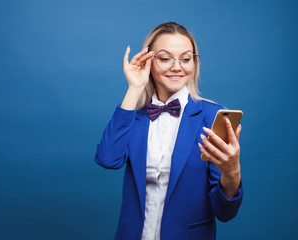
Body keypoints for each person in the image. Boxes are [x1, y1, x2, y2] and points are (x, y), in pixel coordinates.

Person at [94, 22, 243, 240]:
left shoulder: (212, 116)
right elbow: (108, 159)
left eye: (185, 58)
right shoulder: (133, 114)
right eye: (165, 58)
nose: (177, 67)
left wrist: (232, 172)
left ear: (194, 63)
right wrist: (134, 89)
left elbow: (225, 212)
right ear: (149, 62)